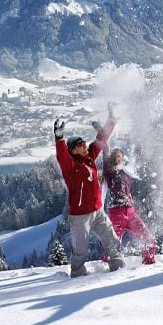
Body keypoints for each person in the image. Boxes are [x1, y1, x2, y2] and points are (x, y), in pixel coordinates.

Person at [54, 103, 124, 278]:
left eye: (83, 142)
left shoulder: (89, 157)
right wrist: (59, 138)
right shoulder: (71, 167)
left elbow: (101, 140)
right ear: (73, 150)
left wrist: (111, 120)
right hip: (80, 216)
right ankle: (77, 274)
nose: (84, 144)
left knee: (111, 238)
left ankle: (118, 266)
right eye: (79, 144)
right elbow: (62, 157)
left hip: (97, 210)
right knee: (81, 250)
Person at [93, 130, 156, 265]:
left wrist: (140, 140)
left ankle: (149, 265)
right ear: (111, 159)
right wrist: (100, 129)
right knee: (112, 246)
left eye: (120, 156)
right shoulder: (109, 172)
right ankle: (106, 269)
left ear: (123, 159)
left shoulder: (126, 172)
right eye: (115, 156)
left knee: (148, 239)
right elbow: (105, 148)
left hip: (131, 212)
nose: (118, 158)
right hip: (116, 213)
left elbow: (136, 156)